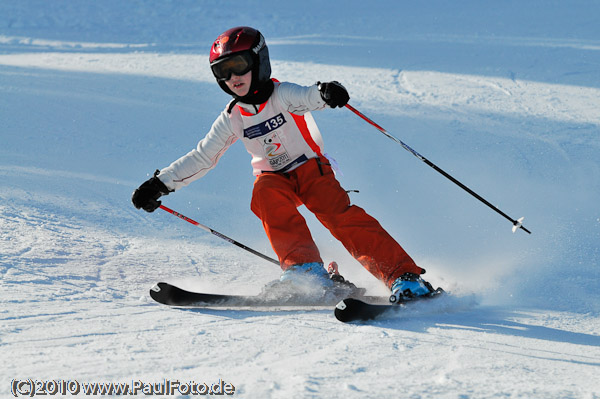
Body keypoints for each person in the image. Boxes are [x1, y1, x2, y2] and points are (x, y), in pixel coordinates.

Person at [132, 26, 434, 302]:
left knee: (340, 217)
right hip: (273, 177)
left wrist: (326, 93)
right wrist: (160, 183)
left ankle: (403, 277)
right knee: (265, 195)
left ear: (258, 62)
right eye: (223, 71)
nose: (233, 77)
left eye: (238, 66)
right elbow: (202, 157)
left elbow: (308, 97)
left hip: (310, 169)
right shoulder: (232, 117)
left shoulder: (281, 94)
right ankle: (305, 273)